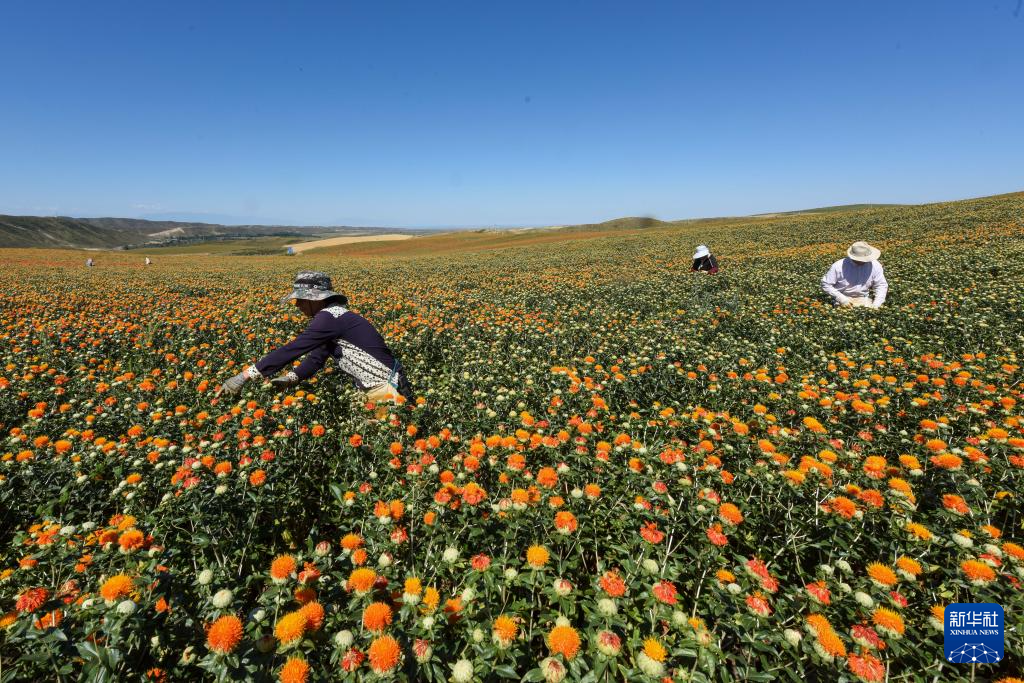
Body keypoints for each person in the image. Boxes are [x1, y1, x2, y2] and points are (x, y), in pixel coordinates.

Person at [218, 271, 411, 404]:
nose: (297, 305)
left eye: (301, 300)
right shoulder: (334, 317)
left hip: (385, 387)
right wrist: (292, 378)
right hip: (376, 386)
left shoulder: (329, 318)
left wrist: (244, 376)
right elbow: (318, 357)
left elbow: (293, 349)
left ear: (315, 299)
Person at [821, 241, 888, 308]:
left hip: (863, 299)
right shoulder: (838, 266)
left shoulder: (875, 265)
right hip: (842, 298)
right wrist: (841, 299)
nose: (862, 261)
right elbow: (826, 284)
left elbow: (881, 285)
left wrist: (877, 304)